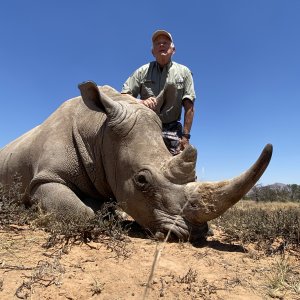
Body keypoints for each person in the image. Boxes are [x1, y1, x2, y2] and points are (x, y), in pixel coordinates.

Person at [121, 29, 196, 156]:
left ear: (173, 50)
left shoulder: (184, 72)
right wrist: (141, 102)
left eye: (165, 42)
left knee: (177, 169)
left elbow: (189, 106)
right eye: (157, 43)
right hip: (145, 126)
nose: (161, 45)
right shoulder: (142, 71)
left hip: (173, 129)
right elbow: (123, 96)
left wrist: (186, 136)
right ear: (152, 52)